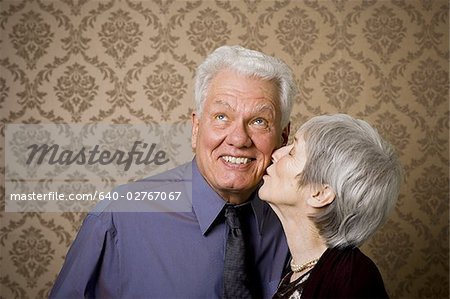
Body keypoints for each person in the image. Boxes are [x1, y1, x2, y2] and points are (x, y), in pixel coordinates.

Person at [49, 45, 298, 298]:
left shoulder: (297, 221)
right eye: (222, 116)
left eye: (259, 121)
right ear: (195, 128)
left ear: (283, 137)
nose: (239, 138)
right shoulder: (119, 216)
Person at [259, 114, 402, 299]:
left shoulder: (352, 281)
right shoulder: (300, 270)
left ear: (320, 194)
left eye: (293, 152)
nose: (276, 154)